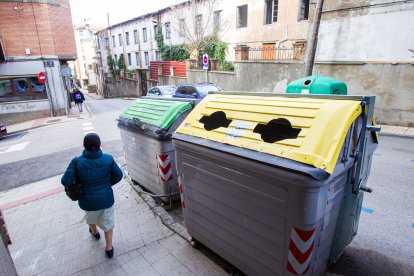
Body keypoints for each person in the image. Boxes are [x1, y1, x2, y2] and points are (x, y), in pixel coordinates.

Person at [61, 133, 123, 258]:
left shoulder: (77, 162)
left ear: (84, 146)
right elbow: (119, 175)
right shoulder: (108, 158)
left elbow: (65, 181)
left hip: (87, 200)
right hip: (106, 199)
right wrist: (106, 185)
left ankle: (94, 232)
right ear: (99, 144)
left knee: (90, 216)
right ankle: (109, 248)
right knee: (108, 222)